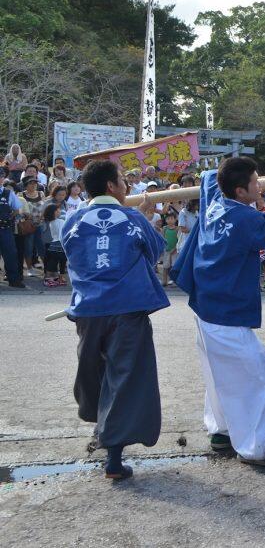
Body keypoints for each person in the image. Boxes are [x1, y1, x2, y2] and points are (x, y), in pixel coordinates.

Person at [171, 157, 265, 467]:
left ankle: (222, 433)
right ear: (240, 191)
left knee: (218, 372)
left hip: (207, 304)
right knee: (255, 374)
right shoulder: (246, 218)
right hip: (225, 309)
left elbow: (213, 174)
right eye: (255, 182)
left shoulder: (214, 199)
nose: (259, 186)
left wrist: (258, 181)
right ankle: (255, 448)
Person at [61, 160, 169, 480]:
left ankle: (102, 429)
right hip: (127, 311)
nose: (126, 186)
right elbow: (154, 252)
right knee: (126, 378)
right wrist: (146, 218)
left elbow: (73, 255)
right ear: (111, 186)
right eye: (123, 181)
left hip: (89, 312)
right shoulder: (133, 218)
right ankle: (113, 458)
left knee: (96, 372)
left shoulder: (73, 219)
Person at [0, 171, 25, 288]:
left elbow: (17, 209)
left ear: (3, 178)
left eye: (0, 176)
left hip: (5, 229)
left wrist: (9, 217)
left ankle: (14, 280)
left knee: (10, 254)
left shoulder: (8, 193)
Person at [18, 176, 46, 276]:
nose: (34, 185)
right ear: (25, 184)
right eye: (31, 183)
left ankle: (47, 268)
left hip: (40, 225)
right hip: (28, 226)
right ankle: (29, 269)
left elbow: (45, 208)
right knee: (28, 247)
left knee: (42, 247)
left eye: (35, 183)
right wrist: (25, 217)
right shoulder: (21, 195)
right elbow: (19, 211)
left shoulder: (41, 193)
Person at [41, 203, 67, 287]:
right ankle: (57, 278)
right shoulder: (60, 221)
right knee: (61, 261)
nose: (60, 211)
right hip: (60, 244)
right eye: (58, 210)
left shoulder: (51, 222)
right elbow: (62, 235)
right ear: (54, 212)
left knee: (53, 262)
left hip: (53, 245)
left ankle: (51, 278)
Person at [159, 212, 178, 287]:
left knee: (174, 266)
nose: (170, 220)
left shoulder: (177, 229)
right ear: (166, 220)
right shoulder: (165, 228)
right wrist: (163, 248)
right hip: (166, 250)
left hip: (175, 250)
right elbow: (162, 238)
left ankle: (174, 281)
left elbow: (178, 240)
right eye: (168, 219)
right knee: (165, 266)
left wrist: (175, 249)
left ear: (175, 220)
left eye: (171, 218)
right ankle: (164, 281)